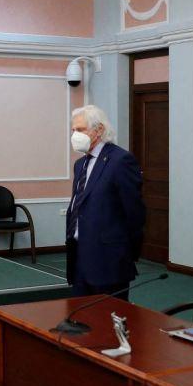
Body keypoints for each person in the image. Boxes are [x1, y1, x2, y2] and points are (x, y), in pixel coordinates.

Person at [65, 105, 145, 300]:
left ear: (99, 130)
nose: (75, 135)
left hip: (109, 261)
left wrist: (126, 253)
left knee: (108, 315)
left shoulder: (120, 160)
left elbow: (134, 213)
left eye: (80, 129)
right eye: (73, 130)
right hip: (79, 256)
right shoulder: (80, 164)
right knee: (80, 314)